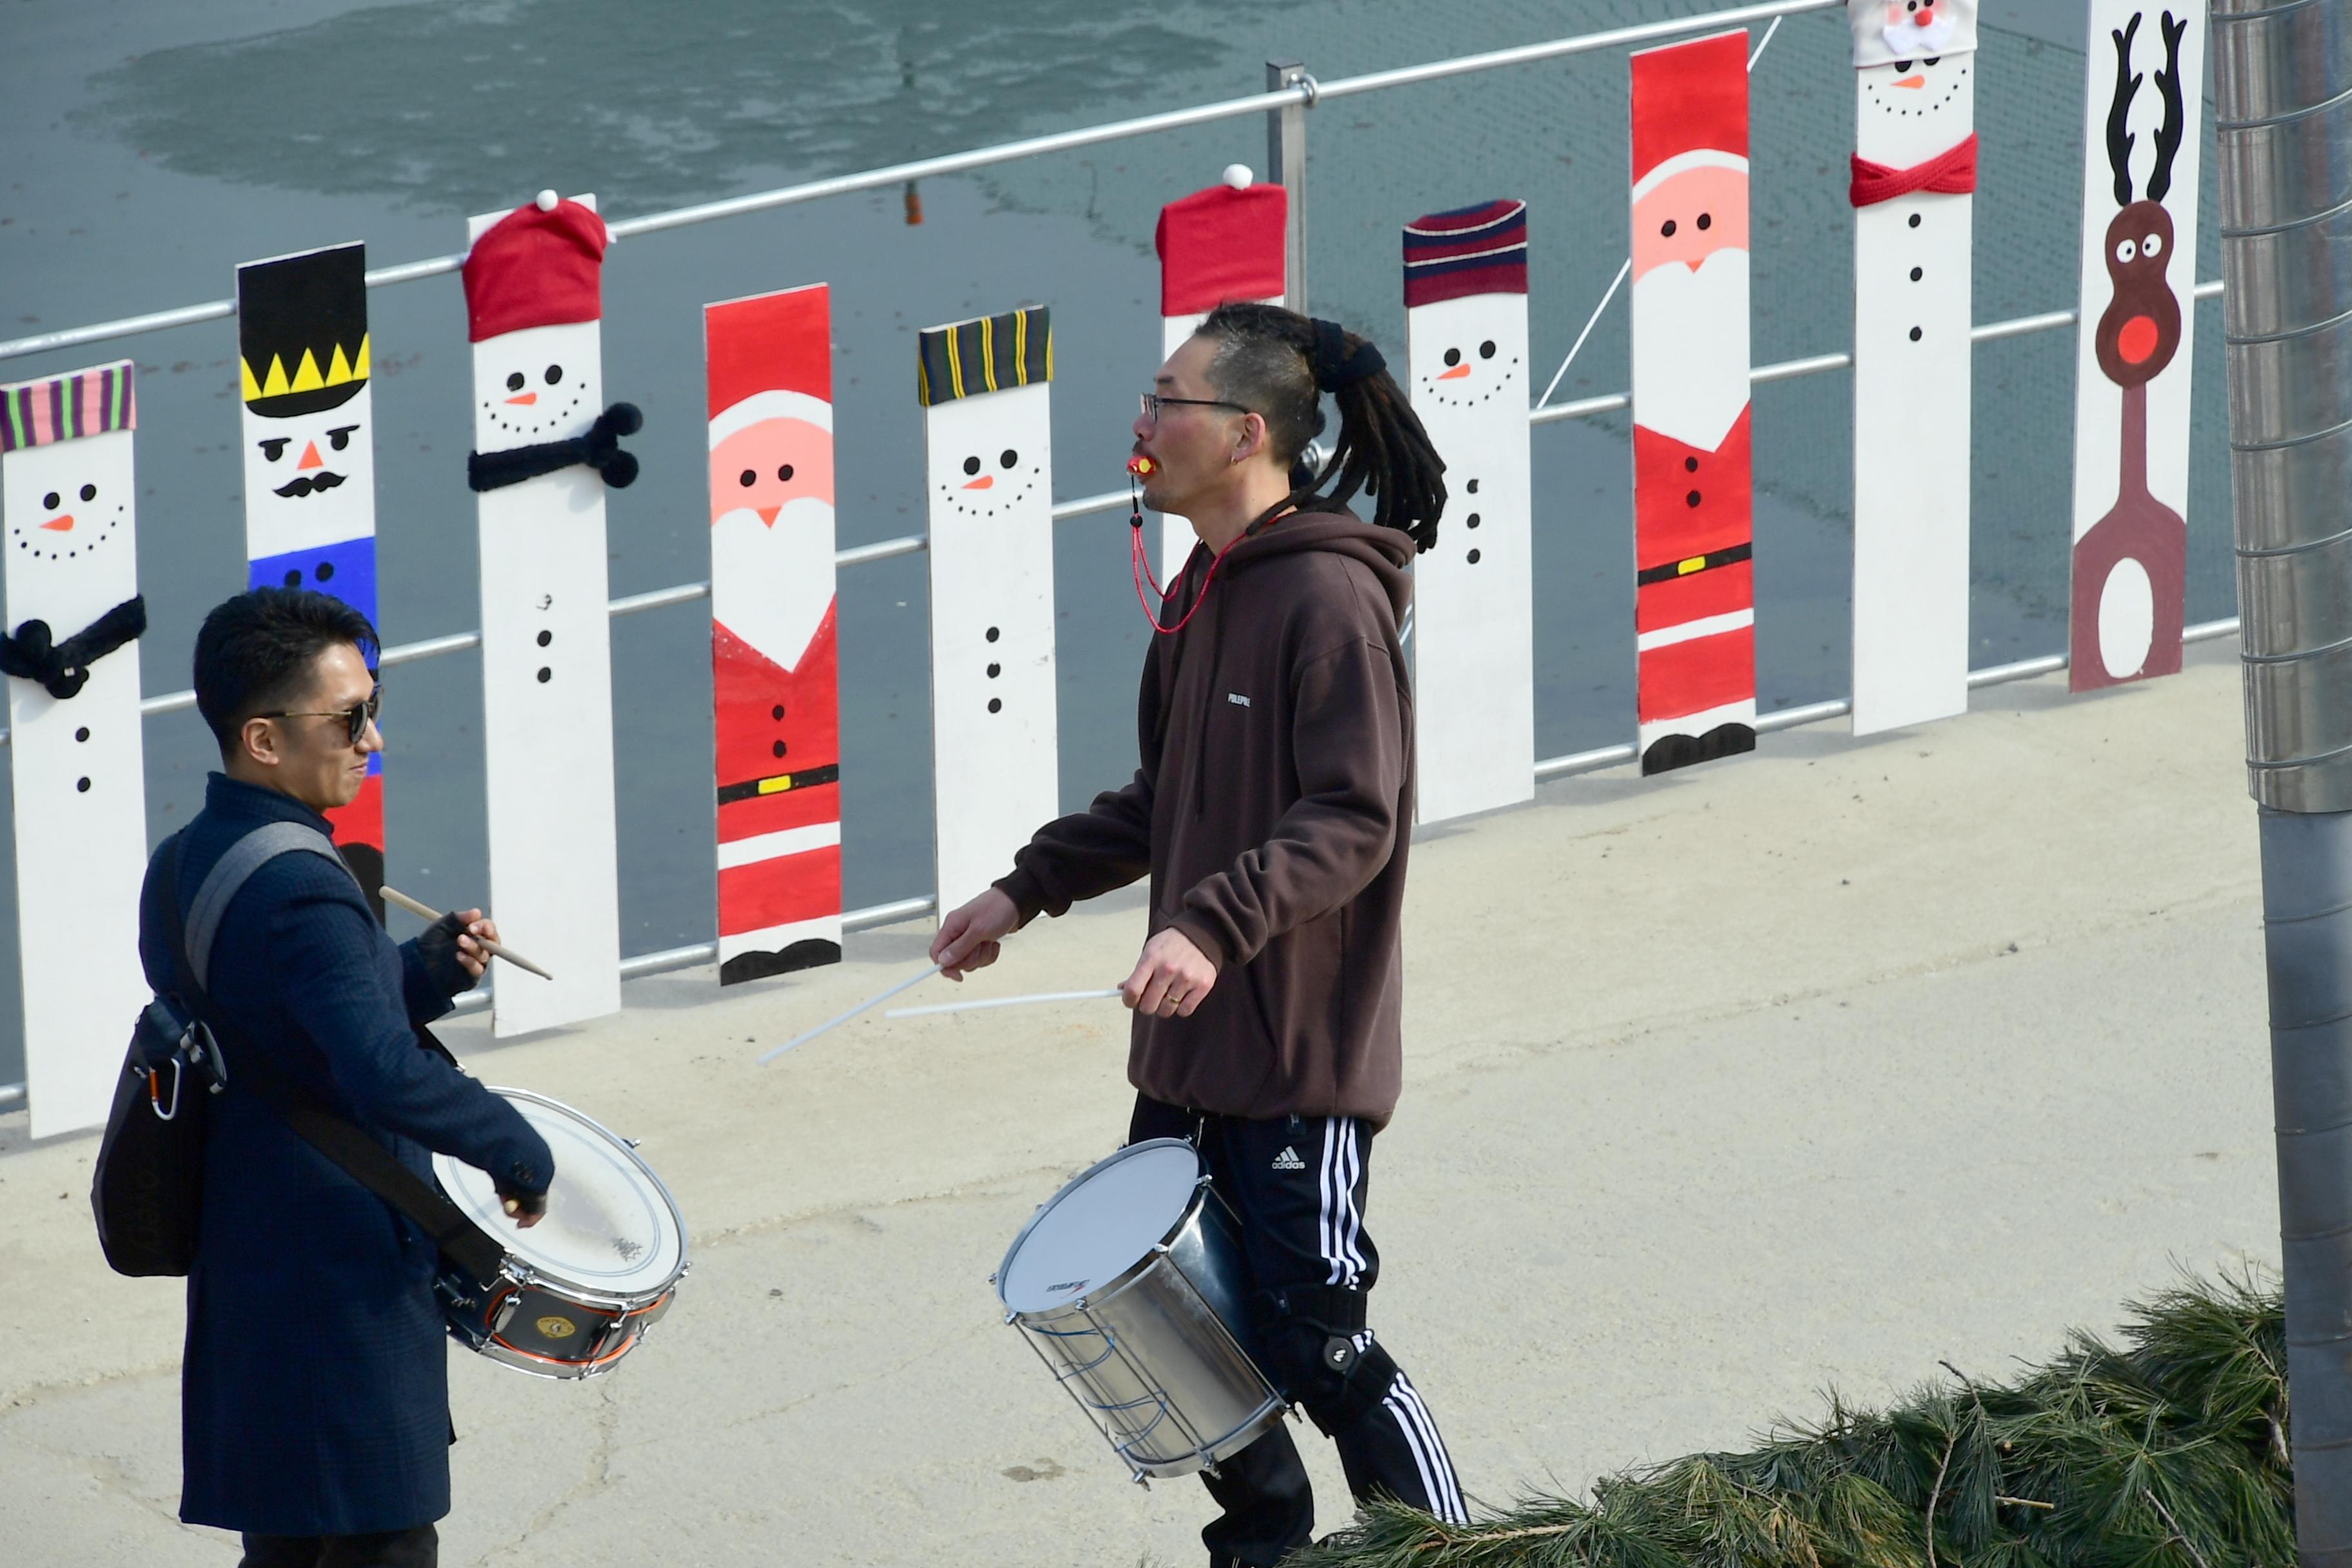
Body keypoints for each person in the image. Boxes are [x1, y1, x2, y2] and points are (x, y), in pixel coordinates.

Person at [932, 303, 1467, 1565]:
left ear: (1240, 434)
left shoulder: (1331, 596)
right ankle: (1268, 1540)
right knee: (1170, 1322)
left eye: (1165, 399)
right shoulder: (1201, 588)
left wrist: (1213, 928)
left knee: (1315, 1339)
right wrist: (1024, 889)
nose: (1142, 422)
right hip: (1184, 1061)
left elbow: (1355, 817)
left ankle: (1462, 1553)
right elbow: (1160, 795)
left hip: (1293, 1058)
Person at [138, 587, 553, 1568]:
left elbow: (277, 1030)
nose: (373, 737)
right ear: (264, 739)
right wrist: (516, 1149)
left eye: (372, 706)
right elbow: (376, 1073)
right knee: (384, 1539)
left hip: (246, 1242)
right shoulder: (308, 887)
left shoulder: (184, 861)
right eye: (350, 717)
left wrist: (420, 973)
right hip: (338, 1264)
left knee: (285, 1541)